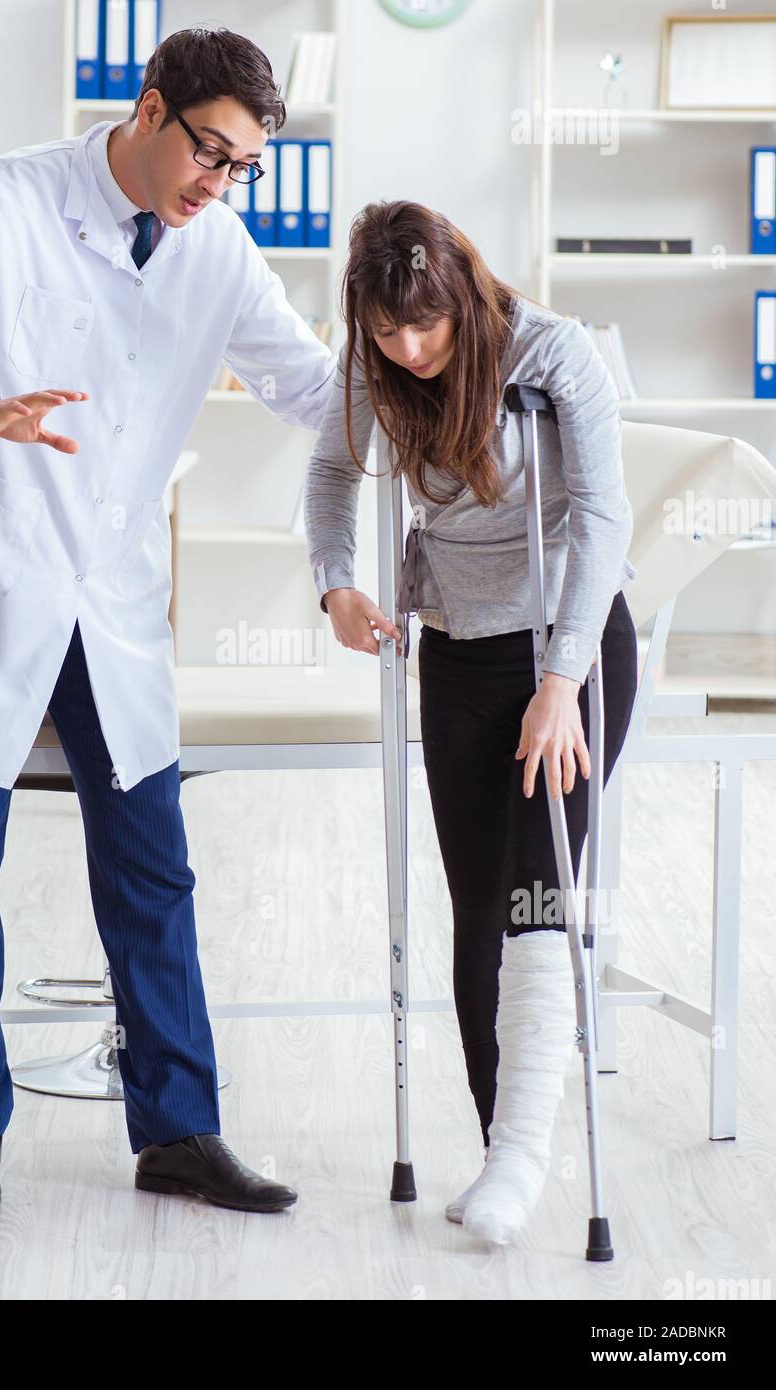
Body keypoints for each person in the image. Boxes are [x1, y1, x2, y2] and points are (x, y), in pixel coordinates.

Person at [0, 25, 337, 1216]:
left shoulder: (216, 245)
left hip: (105, 597)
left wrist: (455, 361)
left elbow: (311, 390)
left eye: (242, 170)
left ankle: (178, 1128)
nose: (217, 186)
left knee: (152, 867)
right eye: (208, 153)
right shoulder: (5, 200)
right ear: (149, 108)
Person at [303, 200, 639, 1245]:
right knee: (476, 905)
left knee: (539, 886)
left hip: (567, 646)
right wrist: (335, 586)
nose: (407, 349)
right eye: (387, 331)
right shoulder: (372, 360)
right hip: (452, 648)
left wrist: (559, 681)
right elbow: (327, 474)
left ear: (463, 294)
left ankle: (526, 1159)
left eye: (427, 327)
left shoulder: (554, 352)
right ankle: (501, 1142)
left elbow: (601, 515)